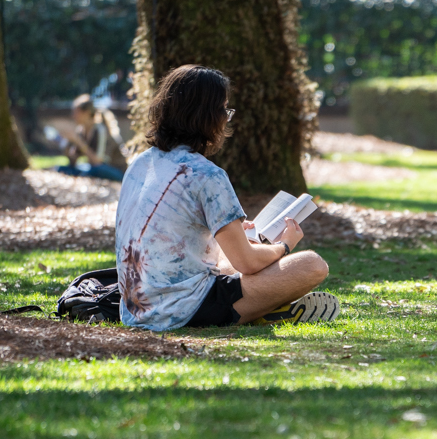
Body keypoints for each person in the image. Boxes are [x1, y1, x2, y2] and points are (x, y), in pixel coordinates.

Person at [115, 64, 337, 332]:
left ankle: (263, 307)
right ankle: (263, 309)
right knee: (312, 265)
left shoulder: (139, 164)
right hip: (183, 310)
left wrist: (236, 239)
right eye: (225, 111)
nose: (226, 120)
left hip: (134, 309)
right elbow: (248, 263)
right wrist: (284, 246)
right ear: (210, 116)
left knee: (227, 258)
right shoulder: (207, 174)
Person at [55, 94, 127, 182]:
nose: (73, 116)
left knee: (94, 170)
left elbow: (98, 162)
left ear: (87, 113)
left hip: (116, 171)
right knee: (62, 168)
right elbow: (73, 162)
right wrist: (65, 144)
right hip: (94, 168)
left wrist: (79, 142)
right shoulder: (81, 131)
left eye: (76, 112)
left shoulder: (100, 130)